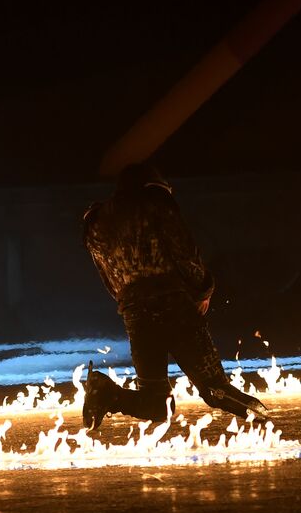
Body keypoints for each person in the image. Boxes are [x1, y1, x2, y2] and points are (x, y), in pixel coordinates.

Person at [80, 162, 271, 429]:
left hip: (136, 313)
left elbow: (109, 278)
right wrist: (202, 291)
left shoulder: (96, 223)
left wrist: (133, 303)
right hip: (175, 307)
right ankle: (272, 424)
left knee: (157, 404)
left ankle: (106, 393)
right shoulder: (156, 204)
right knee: (216, 389)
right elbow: (184, 253)